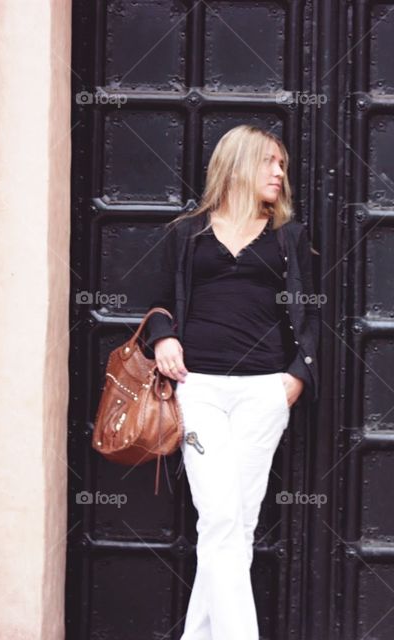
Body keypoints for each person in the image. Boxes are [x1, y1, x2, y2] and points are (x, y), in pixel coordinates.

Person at [143, 124, 320, 639]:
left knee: (233, 526)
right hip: (199, 392)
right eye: (270, 162)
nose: (279, 173)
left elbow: (310, 313)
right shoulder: (187, 234)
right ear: (239, 164)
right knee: (221, 519)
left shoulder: (288, 236)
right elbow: (156, 302)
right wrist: (163, 339)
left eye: (282, 165)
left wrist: (297, 376)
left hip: (264, 392)